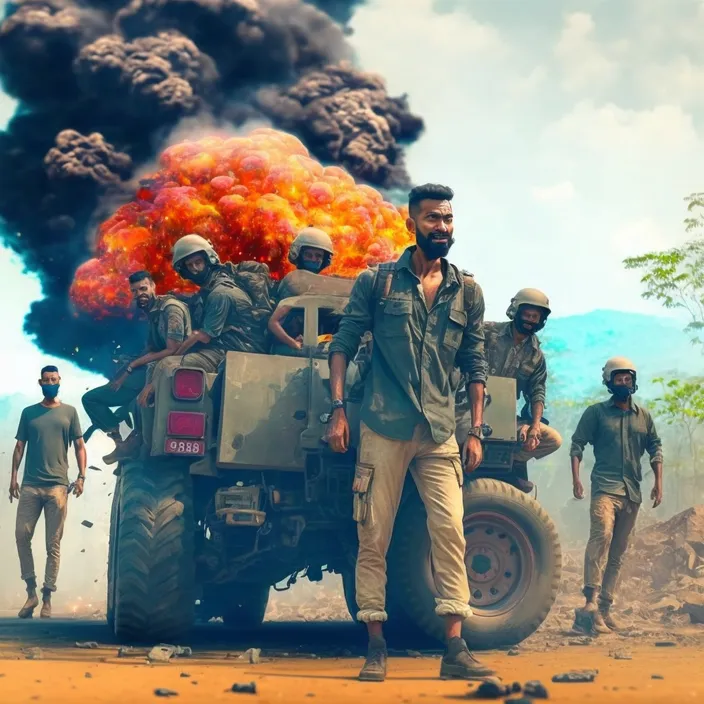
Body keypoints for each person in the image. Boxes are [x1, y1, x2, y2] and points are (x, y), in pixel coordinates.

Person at [327, 183, 494, 682]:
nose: (442, 227)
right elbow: (343, 342)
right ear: (411, 224)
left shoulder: (467, 290)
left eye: (447, 219)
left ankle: (455, 647)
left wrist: (477, 428)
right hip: (383, 424)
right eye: (432, 219)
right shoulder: (378, 282)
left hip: (440, 429)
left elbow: (475, 361)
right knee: (373, 534)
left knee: (449, 531)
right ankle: (376, 644)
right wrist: (338, 411)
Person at [570, 356, 663, 633]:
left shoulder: (643, 416)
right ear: (609, 382)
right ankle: (589, 602)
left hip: (632, 491)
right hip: (605, 488)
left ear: (634, 381)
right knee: (602, 535)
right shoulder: (596, 413)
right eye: (619, 378)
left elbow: (655, 447)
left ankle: (605, 609)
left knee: (618, 552)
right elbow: (577, 444)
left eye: (628, 378)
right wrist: (576, 479)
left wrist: (659, 483)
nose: (625, 382)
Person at [82, 270, 191, 464]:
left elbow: (174, 349)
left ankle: (124, 444)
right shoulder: (153, 311)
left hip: (167, 370)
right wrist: (126, 366)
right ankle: (124, 443)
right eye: (134, 291)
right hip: (153, 368)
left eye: (143, 288)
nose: (139, 293)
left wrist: (133, 366)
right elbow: (151, 346)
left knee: (91, 399)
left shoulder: (170, 309)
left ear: (153, 287)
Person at [9, 365, 86, 619]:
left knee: (53, 544)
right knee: (22, 535)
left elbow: (79, 446)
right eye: (46, 380)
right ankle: (30, 591)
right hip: (30, 485)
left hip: (58, 487)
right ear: (40, 383)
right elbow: (20, 446)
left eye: (54, 379)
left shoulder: (70, 412)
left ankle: (47, 596)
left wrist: (81, 477)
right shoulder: (29, 413)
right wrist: (13, 478)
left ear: (59, 381)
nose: (51, 383)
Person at [482, 288, 562, 492]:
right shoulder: (486, 332)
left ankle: (514, 462)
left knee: (552, 439)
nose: (530, 320)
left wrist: (534, 426)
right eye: (526, 314)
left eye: (536, 316)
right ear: (515, 311)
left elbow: (537, 392)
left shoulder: (536, 355)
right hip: (465, 408)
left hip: (503, 418)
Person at [268, 227, 335, 351]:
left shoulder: (323, 287)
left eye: (318, 256)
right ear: (298, 255)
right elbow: (274, 323)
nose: (314, 259)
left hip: (313, 350)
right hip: (284, 349)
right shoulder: (292, 283)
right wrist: (293, 343)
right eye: (309, 255)